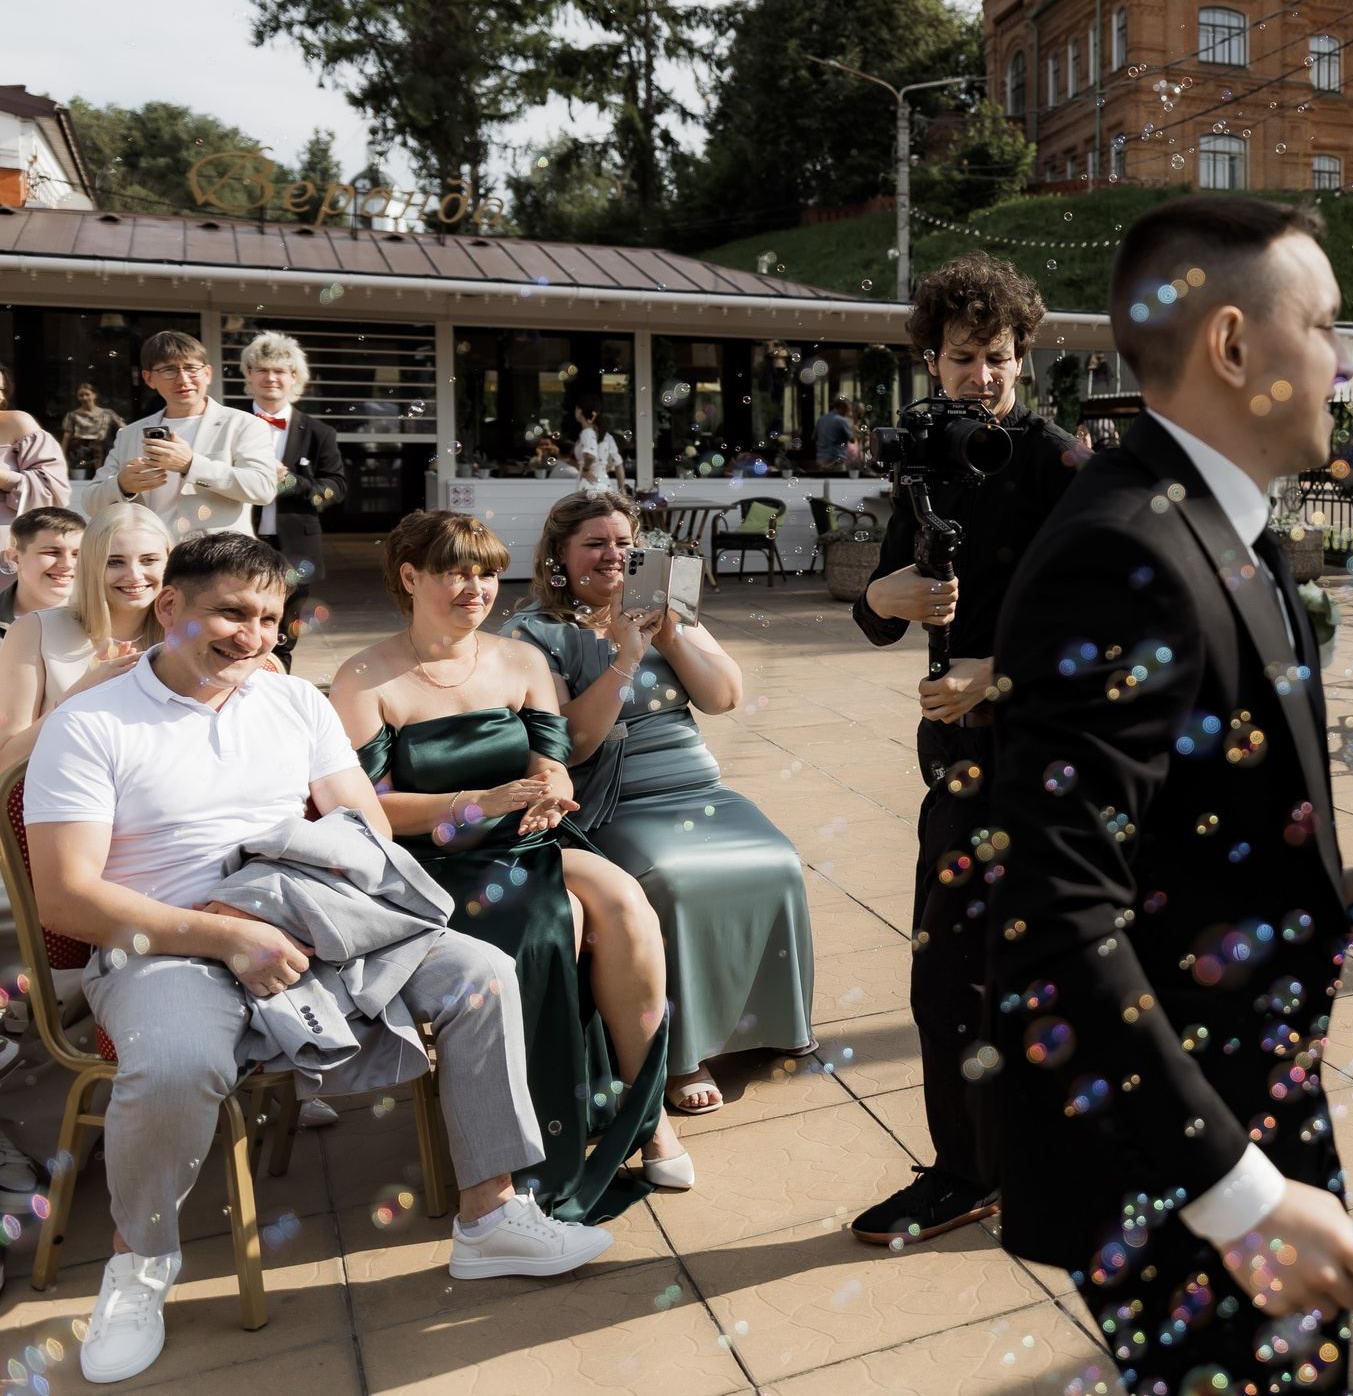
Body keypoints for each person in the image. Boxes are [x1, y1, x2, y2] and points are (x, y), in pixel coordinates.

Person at [985, 198, 1353, 1391]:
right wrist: (1240, 1200)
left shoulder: (1231, 527)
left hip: (1244, 1096)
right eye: (1323, 328)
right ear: (1231, 344)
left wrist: (1325, 889)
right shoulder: (1123, 552)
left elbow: (1180, 824)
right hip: (1176, 1158)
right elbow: (1055, 915)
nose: (1343, 365)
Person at [21, 531, 612, 1387]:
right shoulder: (91, 723)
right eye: (231, 612)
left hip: (306, 917)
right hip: (162, 944)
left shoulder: (294, 701)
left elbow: (360, 822)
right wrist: (227, 934)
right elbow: (66, 898)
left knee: (481, 973)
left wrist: (301, 900)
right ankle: (138, 1261)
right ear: (169, 606)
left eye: (269, 618)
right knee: (178, 1057)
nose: (253, 636)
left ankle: (490, 1216)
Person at [330, 511, 688, 1218]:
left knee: (626, 901)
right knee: (559, 918)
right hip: (433, 859)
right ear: (410, 577)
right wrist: (474, 801)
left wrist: (552, 786)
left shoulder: (520, 661)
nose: (477, 587)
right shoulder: (365, 676)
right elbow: (368, 811)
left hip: (528, 839)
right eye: (456, 572)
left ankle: (647, 1118)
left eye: (488, 573)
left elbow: (553, 758)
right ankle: (537, 1136)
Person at [849, 254, 1083, 1246]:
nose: (978, 376)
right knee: (948, 983)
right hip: (954, 762)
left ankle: (1004, 1165)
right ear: (932, 363)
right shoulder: (930, 456)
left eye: (995, 357)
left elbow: (1118, 624)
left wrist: (999, 672)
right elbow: (878, 610)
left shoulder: (1060, 464)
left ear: (1022, 357)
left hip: (1045, 764)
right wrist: (884, 594)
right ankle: (971, 1169)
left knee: (1038, 976)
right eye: (960, 358)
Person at [502, 491, 815, 1117]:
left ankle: (773, 1021)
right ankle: (679, 1055)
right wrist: (625, 656)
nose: (612, 555)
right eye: (594, 543)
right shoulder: (534, 632)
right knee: (671, 879)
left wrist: (671, 634)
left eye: (624, 542)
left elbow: (723, 698)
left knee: (779, 860)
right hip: (612, 796)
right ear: (559, 553)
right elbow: (574, 744)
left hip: (696, 784)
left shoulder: (667, 608)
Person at [0, 504, 167, 774]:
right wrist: (80, 693)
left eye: (149, 560)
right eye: (115, 562)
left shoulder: (189, 635)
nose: (134, 575)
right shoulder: (35, 630)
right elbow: (6, 761)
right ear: (90, 565)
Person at [86, 332, 278, 538]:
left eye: (191, 368)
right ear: (149, 378)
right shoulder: (129, 434)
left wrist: (191, 465)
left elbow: (263, 489)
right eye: (169, 370)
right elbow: (90, 503)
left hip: (217, 553)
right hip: (152, 552)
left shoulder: (244, 425)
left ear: (207, 373)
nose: (183, 379)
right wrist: (122, 485)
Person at [239, 333, 348, 673]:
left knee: (283, 636)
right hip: (241, 539)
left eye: (280, 371)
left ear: (295, 377)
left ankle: (276, 690)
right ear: (248, 374)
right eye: (262, 369)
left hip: (296, 548)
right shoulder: (231, 424)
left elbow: (335, 489)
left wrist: (289, 481)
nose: (270, 377)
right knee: (238, 626)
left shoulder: (319, 432)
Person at [0, 365, 71, 586]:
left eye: (1, 389)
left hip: (8, 553)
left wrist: (4, 478)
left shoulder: (17, 423)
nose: (0, 396)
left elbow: (54, 491)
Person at [0, 506, 82, 629]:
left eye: (77, 554)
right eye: (52, 552)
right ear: (15, 558)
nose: (67, 564)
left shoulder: (107, 621)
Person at [60, 383, 124, 479]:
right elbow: (66, 437)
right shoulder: (73, 415)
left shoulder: (107, 413)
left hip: (101, 447)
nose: (84, 398)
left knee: (99, 449)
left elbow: (123, 428)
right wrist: (61, 455)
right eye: (81, 395)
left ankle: (100, 477)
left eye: (87, 394)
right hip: (80, 449)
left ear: (94, 395)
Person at [571, 402, 626, 495]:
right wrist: (622, 491)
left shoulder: (587, 432)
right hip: (605, 485)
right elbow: (618, 464)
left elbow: (590, 455)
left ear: (580, 411)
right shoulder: (607, 436)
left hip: (589, 486)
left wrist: (585, 470)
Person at [815, 397, 860, 474]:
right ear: (842, 407)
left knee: (824, 479)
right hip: (836, 457)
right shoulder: (843, 421)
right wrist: (853, 430)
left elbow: (813, 437)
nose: (848, 413)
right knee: (838, 480)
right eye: (848, 410)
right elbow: (852, 439)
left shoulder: (822, 418)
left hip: (821, 457)